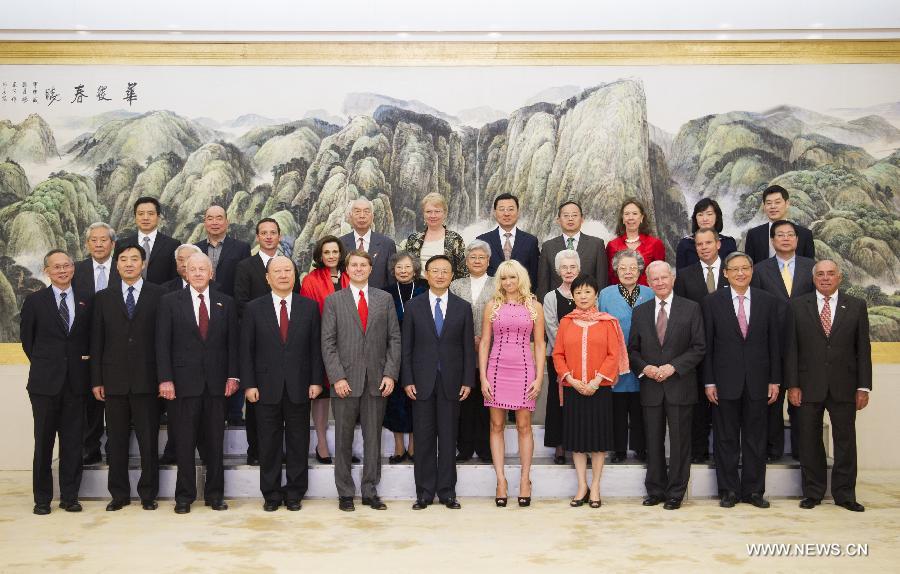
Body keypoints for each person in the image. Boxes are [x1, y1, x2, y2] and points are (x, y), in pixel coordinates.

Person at [156, 253, 240, 514]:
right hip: (181, 386)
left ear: (211, 273)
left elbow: (232, 344)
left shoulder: (225, 303)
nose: (199, 273)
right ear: (185, 272)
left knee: (215, 443)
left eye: (203, 269)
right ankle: (184, 496)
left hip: (216, 386)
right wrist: (165, 379)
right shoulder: (170, 302)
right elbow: (162, 344)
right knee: (183, 443)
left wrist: (233, 376)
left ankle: (215, 495)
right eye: (193, 269)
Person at [786, 260, 871, 512]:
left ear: (840, 277)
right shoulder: (797, 305)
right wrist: (792, 385)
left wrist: (863, 387)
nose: (825, 278)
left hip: (845, 386)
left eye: (830, 274)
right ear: (813, 279)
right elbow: (791, 349)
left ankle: (845, 494)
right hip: (808, 386)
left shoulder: (856, 306)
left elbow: (862, 350)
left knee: (845, 441)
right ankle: (813, 492)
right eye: (820, 274)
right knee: (809, 441)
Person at [240, 256, 324, 512]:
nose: (283, 275)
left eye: (288, 270)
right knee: (268, 443)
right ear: (268, 277)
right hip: (265, 387)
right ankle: (272, 494)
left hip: (300, 385)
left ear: (295, 274)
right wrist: (249, 384)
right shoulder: (254, 308)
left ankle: (295, 492)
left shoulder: (308, 307)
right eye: (277, 271)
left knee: (299, 441)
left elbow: (315, 348)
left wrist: (316, 381)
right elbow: (246, 350)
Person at [321, 250, 401, 512]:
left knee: (373, 439)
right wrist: (337, 378)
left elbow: (394, 340)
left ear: (370, 269)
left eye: (363, 265)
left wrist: (390, 373)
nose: (358, 269)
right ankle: (345, 492)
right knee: (343, 439)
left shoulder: (384, 299)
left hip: (377, 381)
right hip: (345, 381)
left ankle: (369, 490)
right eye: (353, 265)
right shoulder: (334, 301)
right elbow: (328, 343)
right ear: (346, 269)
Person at [702, 252, 781, 509]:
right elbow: (708, 346)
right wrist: (709, 381)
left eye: (745, 268)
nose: (740, 273)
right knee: (725, 439)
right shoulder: (712, 302)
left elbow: (774, 345)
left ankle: (754, 491)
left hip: (759, 382)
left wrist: (775, 380)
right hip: (724, 383)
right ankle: (728, 491)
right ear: (725, 273)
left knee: (755, 438)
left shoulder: (767, 301)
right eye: (734, 269)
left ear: (752, 270)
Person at [90, 243, 164, 511]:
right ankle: (119, 494)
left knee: (148, 441)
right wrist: (97, 379)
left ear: (143, 264)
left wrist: (163, 378)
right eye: (123, 259)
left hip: (148, 379)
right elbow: (97, 342)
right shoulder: (104, 297)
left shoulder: (159, 295)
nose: (129, 264)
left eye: (135, 259)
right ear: (116, 264)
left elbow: (163, 340)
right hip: (114, 380)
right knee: (116, 442)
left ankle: (148, 494)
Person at [628, 261, 705, 510]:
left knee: (681, 442)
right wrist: (645, 368)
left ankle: (675, 493)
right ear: (648, 283)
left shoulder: (691, 308)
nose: (660, 282)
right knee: (653, 441)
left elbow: (699, 347)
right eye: (655, 279)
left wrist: (673, 367)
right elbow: (633, 350)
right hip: (651, 387)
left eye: (664, 277)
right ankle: (656, 490)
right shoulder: (640, 312)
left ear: (672, 278)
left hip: (680, 385)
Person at [20, 250, 92, 515]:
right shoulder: (35, 301)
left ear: (73, 268)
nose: (62, 271)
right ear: (47, 270)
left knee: (73, 443)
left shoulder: (87, 300)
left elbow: (88, 339)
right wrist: (49, 364)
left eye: (66, 266)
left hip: (76, 383)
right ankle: (42, 499)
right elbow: (29, 342)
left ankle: (70, 497)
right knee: (44, 442)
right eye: (56, 267)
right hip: (44, 385)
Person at [402, 255, 475, 510]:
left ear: (452, 275)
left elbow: (468, 349)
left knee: (447, 439)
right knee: (422, 440)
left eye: (445, 271)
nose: (440, 275)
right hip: (421, 383)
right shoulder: (413, 306)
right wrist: (407, 379)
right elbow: (406, 348)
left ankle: (447, 492)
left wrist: (468, 380)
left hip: (452, 384)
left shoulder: (462, 307)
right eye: (435, 271)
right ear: (426, 274)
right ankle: (423, 493)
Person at [553, 273, 629, 508]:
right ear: (572, 296)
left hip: (600, 388)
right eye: (578, 292)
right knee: (576, 441)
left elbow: (613, 354)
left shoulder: (608, 322)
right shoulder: (566, 321)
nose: (583, 296)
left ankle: (595, 485)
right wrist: (572, 380)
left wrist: (596, 381)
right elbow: (558, 354)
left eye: (587, 291)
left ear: (596, 294)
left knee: (598, 440)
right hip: (574, 388)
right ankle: (581, 486)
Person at [479, 260, 546, 507]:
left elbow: (539, 344)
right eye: (504, 278)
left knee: (524, 426)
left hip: (525, 370)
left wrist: (539, 377)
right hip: (496, 370)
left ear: (521, 279)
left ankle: (525, 480)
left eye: (513, 278)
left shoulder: (534, 306)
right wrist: (483, 376)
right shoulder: (492, 306)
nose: (508, 283)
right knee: (496, 425)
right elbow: (485, 342)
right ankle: (500, 481)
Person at [234, 218, 300, 466]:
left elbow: (298, 297)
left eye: (273, 233)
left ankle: (281, 453)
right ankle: (257, 451)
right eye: (264, 233)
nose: (269, 237)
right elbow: (239, 301)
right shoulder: (245, 266)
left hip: (286, 343)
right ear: (257, 237)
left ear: (280, 236)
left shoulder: (288, 265)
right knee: (257, 407)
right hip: (259, 342)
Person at [750, 219, 815, 462]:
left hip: (805, 343)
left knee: (801, 400)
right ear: (772, 240)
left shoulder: (811, 268)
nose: (785, 238)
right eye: (780, 235)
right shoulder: (759, 269)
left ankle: (802, 450)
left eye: (790, 234)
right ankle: (773, 450)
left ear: (797, 240)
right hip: (771, 342)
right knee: (772, 399)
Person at [673, 227, 728, 463]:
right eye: (699, 244)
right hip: (696, 349)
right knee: (698, 405)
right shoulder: (685, 275)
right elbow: (681, 312)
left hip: (728, 349)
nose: (704, 247)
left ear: (718, 244)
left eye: (708, 243)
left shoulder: (733, 271)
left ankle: (725, 453)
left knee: (726, 403)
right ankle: (699, 451)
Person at [300, 235, 351, 464]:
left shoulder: (352, 275)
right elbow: (308, 315)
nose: (331, 256)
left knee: (345, 397)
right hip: (321, 344)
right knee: (321, 396)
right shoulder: (311, 280)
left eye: (335, 252)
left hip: (350, 346)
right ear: (320, 256)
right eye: (327, 252)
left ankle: (344, 447)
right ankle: (321, 444)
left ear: (341, 254)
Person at [599, 250, 653, 464]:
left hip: (644, 358)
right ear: (616, 270)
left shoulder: (649, 293)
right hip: (615, 358)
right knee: (617, 408)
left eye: (632, 268)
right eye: (623, 268)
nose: (628, 272)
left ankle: (641, 448)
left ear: (640, 269)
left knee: (640, 407)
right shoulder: (606, 294)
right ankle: (618, 449)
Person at [72, 222, 118, 466]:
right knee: (90, 399)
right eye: (94, 240)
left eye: (104, 240)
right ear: (87, 243)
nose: (99, 244)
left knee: (116, 399)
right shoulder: (76, 270)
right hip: (85, 345)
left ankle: (115, 447)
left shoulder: (123, 269)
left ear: (112, 243)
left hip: (117, 344)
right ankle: (90, 447)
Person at [380, 252, 427, 464]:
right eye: (399, 267)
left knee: (415, 398)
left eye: (407, 267)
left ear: (415, 269)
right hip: (392, 351)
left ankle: (413, 446)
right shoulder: (385, 293)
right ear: (393, 270)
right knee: (394, 400)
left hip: (419, 351)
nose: (403, 271)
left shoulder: (424, 289)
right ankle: (399, 446)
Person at [449, 240, 494, 463]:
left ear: (489, 260)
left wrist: (485, 339)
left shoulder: (498, 284)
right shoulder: (456, 285)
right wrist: (469, 340)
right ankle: (464, 447)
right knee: (464, 401)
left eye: (481, 257)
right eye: (472, 257)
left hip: (493, 352)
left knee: (487, 402)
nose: (477, 261)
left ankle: (486, 448)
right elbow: (451, 316)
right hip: (461, 353)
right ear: (466, 261)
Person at [542, 249, 581, 465]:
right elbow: (552, 329)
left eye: (572, 267)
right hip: (558, 356)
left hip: (586, 357)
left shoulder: (587, 293)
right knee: (558, 401)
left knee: (579, 401)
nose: (568, 271)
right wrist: (569, 350)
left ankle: (578, 443)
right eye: (564, 267)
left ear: (579, 269)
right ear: (558, 270)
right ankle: (559, 445)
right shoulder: (550, 297)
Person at [536, 200, 607, 301]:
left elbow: (602, 280)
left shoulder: (596, 245)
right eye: (566, 215)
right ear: (558, 220)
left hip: (588, 304)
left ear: (582, 219)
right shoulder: (548, 247)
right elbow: (543, 283)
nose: (570, 219)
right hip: (557, 305)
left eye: (574, 215)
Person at [476, 193, 540, 288]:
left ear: (518, 212)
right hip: (491, 296)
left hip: (521, 296)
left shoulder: (530, 241)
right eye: (502, 209)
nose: (506, 213)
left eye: (511, 209)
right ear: (494, 213)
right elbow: (478, 271)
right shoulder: (482, 240)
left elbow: (534, 274)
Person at [743, 185, 815, 264]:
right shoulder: (754, 235)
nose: (773, 206)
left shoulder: (804, 234)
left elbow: (809, 267)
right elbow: (749, 266)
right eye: (769, 203)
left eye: (777, 202)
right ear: (764, 206)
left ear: (787, 204)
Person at [403, 192, 467, 280]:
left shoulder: (455, 239)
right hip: (418, 291)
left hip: (446, 290)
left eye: (437, 211)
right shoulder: (413, 239)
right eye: (428, 211)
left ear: (445, 213)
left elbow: (462, 272)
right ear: (423, 214)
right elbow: (407, 268)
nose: (433, 215)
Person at [119, 196, 179, 285]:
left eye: (150, 214)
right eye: (141, 214)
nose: (145, 218)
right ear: (135, 217)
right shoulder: (122, 244)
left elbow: (175, 279)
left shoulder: (172, 245)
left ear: (158, 217)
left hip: (162, 296)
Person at [340, 196, 397, 289]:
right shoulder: (340, 243)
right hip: (347, 300)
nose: (362, 216)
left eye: (366, 212)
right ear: (350, 216)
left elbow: (392, 280)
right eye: (357, 211)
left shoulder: (387, 244)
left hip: (379, 301)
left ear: (372, 216)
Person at [606, 198, 666, 286]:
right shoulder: (612, 245)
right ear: (622, 218)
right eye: (627, 214)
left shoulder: (655, 244)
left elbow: (660, 274)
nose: (631, 218)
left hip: (648, 296)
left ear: (641, 217)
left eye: (635, 214)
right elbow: (610, 276)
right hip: (619, 296)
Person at [194, 205, 251, 297]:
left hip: (231, 304)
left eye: (219, 218)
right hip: (200, 302)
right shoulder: (195, 249)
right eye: (210, 219)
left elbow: (245, 281)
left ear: (227, 222)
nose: (214, 222)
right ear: (205, 222)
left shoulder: (242, 248)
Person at [674, 198, 737, 269]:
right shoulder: (685, 244)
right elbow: (680, 276)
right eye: (700, 215)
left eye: (709, 214)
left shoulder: (728, 242)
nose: (705, 219)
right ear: (695, 218)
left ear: (717, 217)